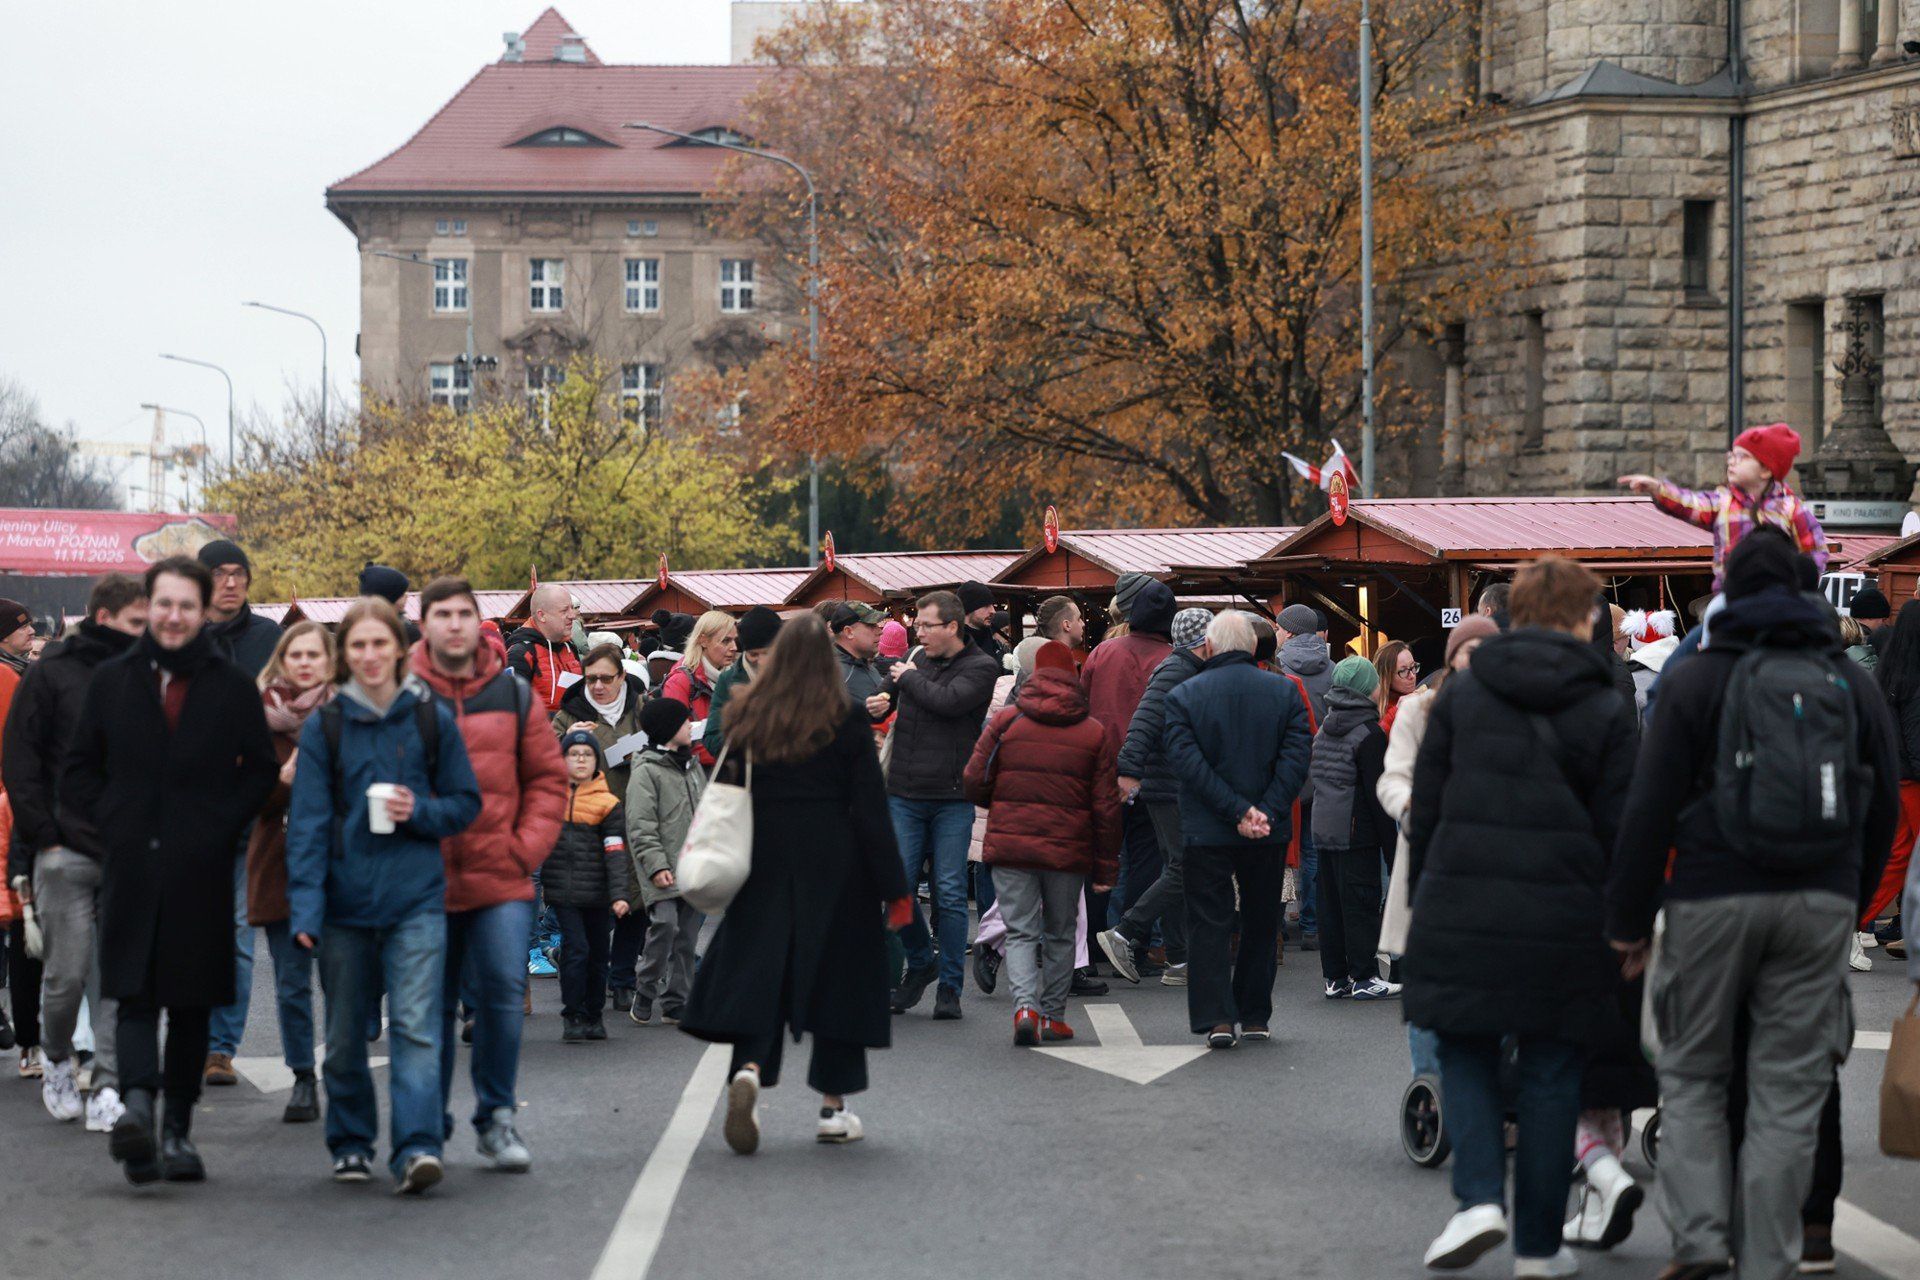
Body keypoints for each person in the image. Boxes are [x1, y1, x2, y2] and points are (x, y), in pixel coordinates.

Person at [1609, 529, 1897, 1280]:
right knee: (1789, 1091)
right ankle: (1770, 1259)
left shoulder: (1698, 676)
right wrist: (1850, 904)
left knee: (1696, 1073)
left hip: (1712, 895)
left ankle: (1702, 1240)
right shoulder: (1847, 678)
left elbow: (1651, 804)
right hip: (1819, 902)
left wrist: (1630, 922)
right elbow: (1884, 805)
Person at [1405, 556, 1637, 1277]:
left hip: (1460, 902)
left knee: (1465, 1050)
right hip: (1567, 916)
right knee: (1551, 1069)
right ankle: (1539, 1245)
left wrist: (1423, 905)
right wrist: (1629, 924)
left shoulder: (1463, 696)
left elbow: (1429, 808)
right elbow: (1621, 827)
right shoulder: (1606, 702)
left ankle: (1477, 1199)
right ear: (1585, 617)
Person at [62, 556, 278, 1185]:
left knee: (189, 1006)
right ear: (149, 607)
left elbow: (260, 770)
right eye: (164, 605)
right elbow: (78, 771)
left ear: (203, 609)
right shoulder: (112, 681)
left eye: (187, 605)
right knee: (133, 994)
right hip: (131, 865)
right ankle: (136, 1109)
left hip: (202, 868)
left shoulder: (231, 684)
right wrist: (115, 823)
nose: (175, 616)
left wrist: (221, 824)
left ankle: (177, 1132)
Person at [680, 614, 912, 1152]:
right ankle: (833, 1108)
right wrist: (895, 888)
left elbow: (729, 787)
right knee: (840, 983)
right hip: (838, 866)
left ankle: (751, 1070)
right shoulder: (847, 718)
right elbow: (871, 810)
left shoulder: (751, 713)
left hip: (763, 860)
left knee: (762, 972)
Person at [286, 597, 480, 1193]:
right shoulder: (326, 725)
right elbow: (310, 823)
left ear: (400, 648)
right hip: (343, 908)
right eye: (358, 645)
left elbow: (464, 803)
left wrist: (417, 810)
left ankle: (418, 1147)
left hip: (415, 900)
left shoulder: (429, 719)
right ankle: (350, 1141)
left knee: (418, 1029)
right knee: (345, 1037)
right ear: (345, 656)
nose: (370, 656)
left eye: (379, 644)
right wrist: (307, 910)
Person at [409, 577, 567, 1173]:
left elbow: (549, 780)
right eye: (441, 614)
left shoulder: (511, 693)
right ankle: (425, 1128)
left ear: (479, 623)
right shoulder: (401, 692)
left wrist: (525, 850)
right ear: (425, 624)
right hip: (422, 879)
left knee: (502, 991)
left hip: (500, 874)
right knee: (429, 1008)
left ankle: (497, 1117)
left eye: (464, 614)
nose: (454, 624)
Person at [2, 574, 146, 1132]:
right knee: (64, 975)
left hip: (128, 849)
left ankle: (108, 1084)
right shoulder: (51, 674)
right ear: (106, 619)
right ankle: (58, 1056)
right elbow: (22, 762)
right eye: (138, 621)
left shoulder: (146, 674)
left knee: (116, 975)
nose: (148, 631)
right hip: (64, 851)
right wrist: (45, 836)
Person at [1162, 611, 1313, 1048]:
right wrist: (1261, 810)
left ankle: (1217, 1019)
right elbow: (1297, 758)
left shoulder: (1185, 695)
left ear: (1208, 647)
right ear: (1252, 647)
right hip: (1269, 825)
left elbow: (1187, 764)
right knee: (1262, 920)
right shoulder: (1284, 692)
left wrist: (1233, 810)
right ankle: (1254, 1013)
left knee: (1209, 921)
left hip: (1207, 825)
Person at [963, 640, 1121, 1045]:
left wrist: (998, 804)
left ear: (1031, 675)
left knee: (1019, 931)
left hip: (1012, 842)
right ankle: (1052, 1016)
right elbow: (1106, 806)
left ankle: (1024, 1007)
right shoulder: (1093, 731)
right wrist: (1105, 870)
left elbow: (973, 779)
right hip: (1068, 849)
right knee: (1061, 933)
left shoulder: (1006, 722)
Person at [1376, 614, 1496, 1079]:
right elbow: (1394, 778)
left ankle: (1488, 1089)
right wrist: (1414, 810)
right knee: (1430, 983)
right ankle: (1430, 1085)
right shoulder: (1419, 709)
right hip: (1430, 858)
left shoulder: (1517, 707)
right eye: (1469, 651)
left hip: (1496, 869)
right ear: (1452, 657)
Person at [883, 590, 1001, 1019]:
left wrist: (907, 678)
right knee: (896, 888)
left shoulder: (982, 667)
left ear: (951, 627)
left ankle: (950, 987)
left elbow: (950, 702)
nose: (918, 631)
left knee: (950, 894)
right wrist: (881, 700)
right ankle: (921, 962)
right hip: (904, 792)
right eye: (917, 625)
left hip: (951, 796)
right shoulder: (916, 658)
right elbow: (891, 691)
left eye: (925, 625)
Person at [194, 538, 283, 1087]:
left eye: (239, 573)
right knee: (184, 928)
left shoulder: (269, 639)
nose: (231, 582)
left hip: (253, 804)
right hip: (189, 807)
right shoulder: (178, 639)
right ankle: (188, 1031)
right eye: (220, 574)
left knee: (236, 931)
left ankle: (220, 1047)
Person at [247, 621, 337, 1125]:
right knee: (291, 982)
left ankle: (341, 1068)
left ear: (329, 661)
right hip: (279, 861)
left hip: (338, 863)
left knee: (341, 978)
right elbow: (244, 797)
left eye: (313, 654)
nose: (304, 663)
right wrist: (283, 780)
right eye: (295, 654)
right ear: (282, 660)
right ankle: (303, 1075)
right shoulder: (257, 719)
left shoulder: (348, 715)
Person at [1101, 607, 1213, 988]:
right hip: (1169, 784)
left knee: (1176, 867)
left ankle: (1180, 961)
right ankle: (1124, 932)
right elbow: (1145, 721)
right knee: (1187, 867)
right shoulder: (1176, 670)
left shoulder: (1182, 668)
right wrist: (1129, 771)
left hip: (1168, 782)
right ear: (1204, 641)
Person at [552, 641, 649, 1010]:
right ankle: (581, 960)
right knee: (595, 903)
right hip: (587, 821)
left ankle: (623, 978)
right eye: (590, 678)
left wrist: (630, 746)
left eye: (606, 678)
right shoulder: (569, 713)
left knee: (635, 903)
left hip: (636, 812)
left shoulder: (640, 707)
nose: (597, 686)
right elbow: (545, 758)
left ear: (622, 677)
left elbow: (661, 738)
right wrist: (568, 740)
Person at [1080, 579, 1173, 963]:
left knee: (1102, 857)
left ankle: (1090, 945)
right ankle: (1131, 943)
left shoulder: (1101, 652)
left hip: (1102, 769)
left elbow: (1081, 706)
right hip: (1156, 773)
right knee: (1149, 859)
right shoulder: (1173, 658)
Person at [1618, 424, 1829, 591]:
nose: (1732, 462)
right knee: (1703, 633)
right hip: (1731, 596)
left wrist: (1802, 590)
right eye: (1732, 456)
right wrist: (1658, 489)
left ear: (1765, 470)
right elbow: (1690, 504)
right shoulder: (1723, 502)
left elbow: (1815, 554)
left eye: (1742, 457)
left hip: (1780, 596)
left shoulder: (1792, 509)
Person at [1309, 655, 1398, 1001]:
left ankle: (1335, 977)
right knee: (1361, 899)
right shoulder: (1369, 733)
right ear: (1365, 689)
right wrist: (1391, 849)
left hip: (1325, 826)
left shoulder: (1327, 725)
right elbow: (1378, 797)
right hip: (1356, 829)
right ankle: (1364, 976)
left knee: (1330, 903)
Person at [545, 728, 629, 1043]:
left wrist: (620, 894)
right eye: (573, 754)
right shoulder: (551, 799)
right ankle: (572, 1014)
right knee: (575, 951)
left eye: (587, 755)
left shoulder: (607, 803)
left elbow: (616, 853)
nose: (580, 760)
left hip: (598, 893)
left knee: (597, 955)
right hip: (563, 893)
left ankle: (594, 1015)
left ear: (597, 762)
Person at [626, 698, 707, 1027]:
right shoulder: (646, 771)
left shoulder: (692, 766)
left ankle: (675, 1000)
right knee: (665, 925)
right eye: (685, 721)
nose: (691, 725)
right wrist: (657, 866)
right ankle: (645, 989)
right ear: (668, 729)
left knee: (687, 938)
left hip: (692, 868)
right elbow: (641, 826)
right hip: (660, 868)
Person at [1275, 602, 1332, 950]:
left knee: (1282, 850)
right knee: (1312, 850)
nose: (1278, 633)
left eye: (1281, 627)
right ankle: (1312, 924)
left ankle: (1277, 924)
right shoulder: (1334, 668)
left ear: (1290, 631)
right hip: (1321, 770)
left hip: (1286, 771)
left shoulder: (1279, 667)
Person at [703, 605, 782, 759]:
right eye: (754, 655)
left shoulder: (797, 674)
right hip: (749, 771)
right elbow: (712, 736)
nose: (761, 661)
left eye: (767, 653)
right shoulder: (728, 680)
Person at [660, 611, 737, 767]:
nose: (734, 647)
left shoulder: (735, 678)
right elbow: (674, 739)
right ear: (703, 641)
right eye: (725, 641)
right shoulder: (680, 682)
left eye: (735, 640)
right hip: (699, 773)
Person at [505, 584, 583, 713]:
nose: (572, 615)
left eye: (572, 608)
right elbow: (511, 711)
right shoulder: (520, 654)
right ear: (542, 616)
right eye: (564, 611)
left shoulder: (570, 647)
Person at [830, 601, 892, 723]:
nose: (880, 631)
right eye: (871, 625)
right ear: (849, 632)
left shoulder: (865, 665)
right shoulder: (833, 675)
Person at [359, 563, 419, 643]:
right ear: (388, 598)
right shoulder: (405, 633)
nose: (406, 596)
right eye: (401, 594)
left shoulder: (355, 628)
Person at [1373, 640, 1418, 735]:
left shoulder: (1418, 698)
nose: (1412, 676)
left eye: (1413, 667)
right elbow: (1377, 738)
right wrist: (1396, 710)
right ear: (1387, 677)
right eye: (1403, 671)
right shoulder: (1374, 709)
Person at [1852, 585, 1894, 661]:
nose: (1884, 624)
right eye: (1883, 619)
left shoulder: (1838, 636)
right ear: (1871, 616)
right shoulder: (1872, 645)